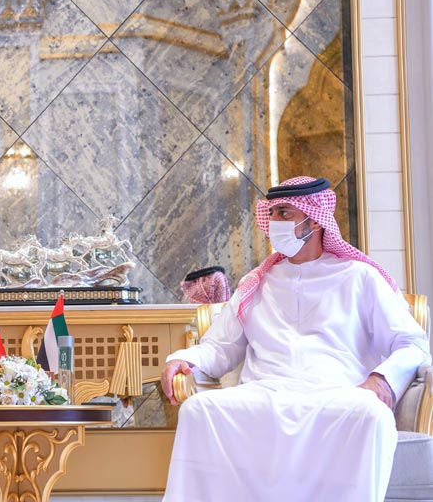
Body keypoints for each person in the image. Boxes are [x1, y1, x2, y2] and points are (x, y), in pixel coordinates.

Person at [160, 176, 430, 502]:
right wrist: (184, 359)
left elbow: (413, 343)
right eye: (271, 213)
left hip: (337, 393)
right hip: (265, 392)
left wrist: (382, 380)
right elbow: (220, 347)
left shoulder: (360, 277)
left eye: (284, 213)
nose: (274, 222)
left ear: (314, 219)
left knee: (372, 416)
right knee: (197, 410)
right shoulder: (258, 282)